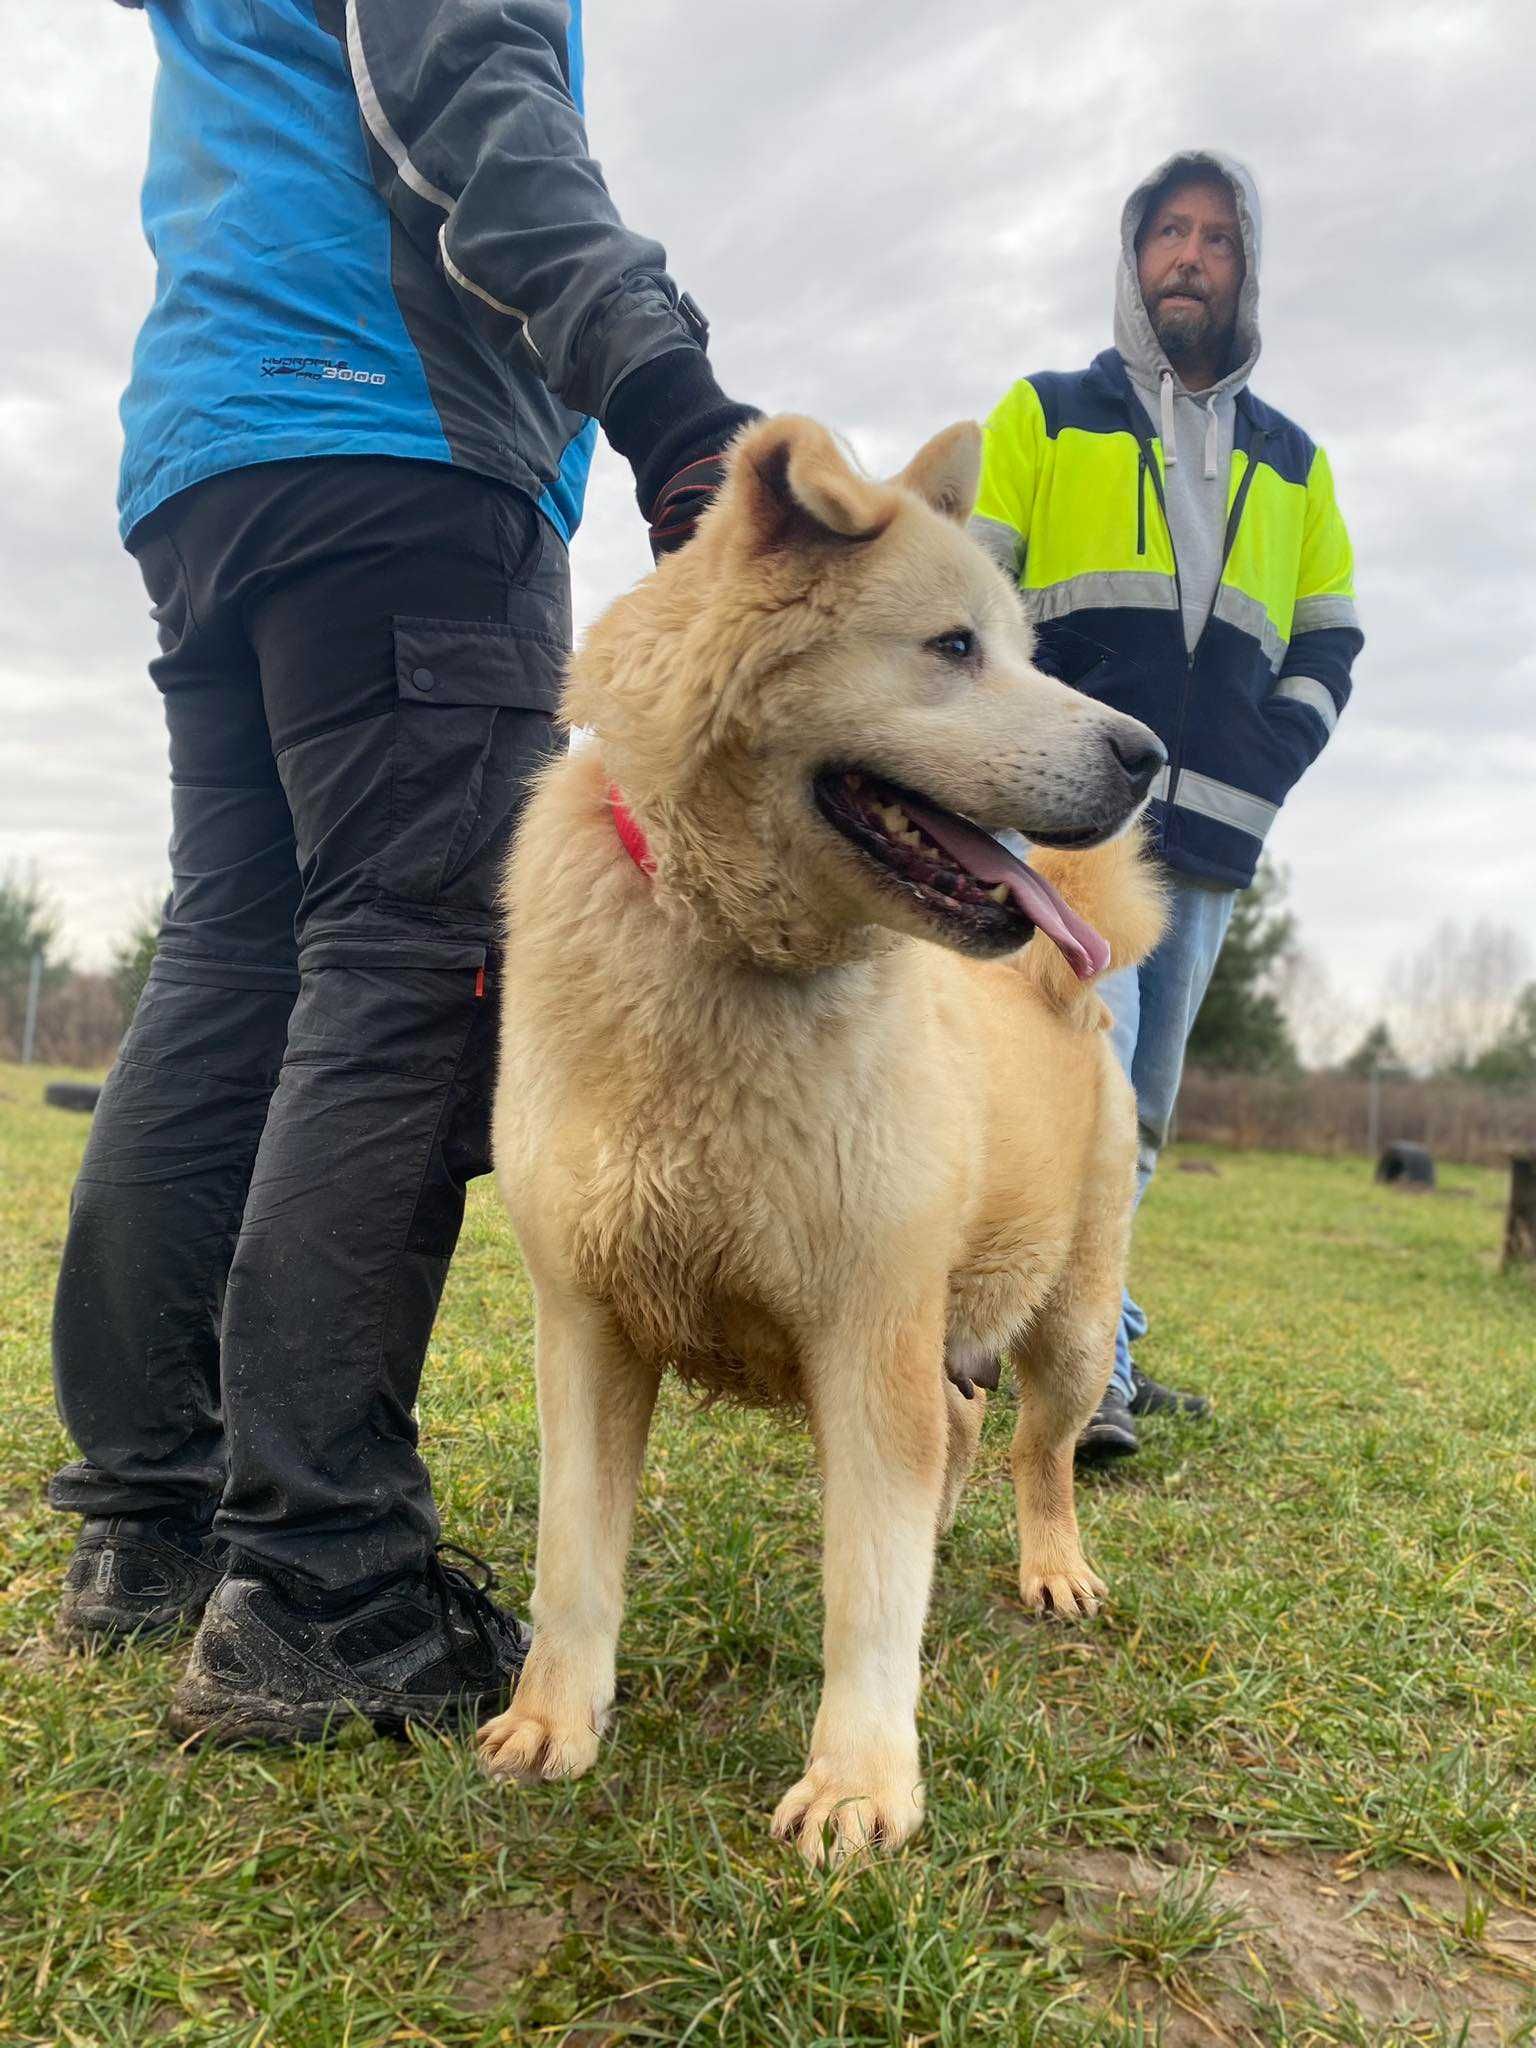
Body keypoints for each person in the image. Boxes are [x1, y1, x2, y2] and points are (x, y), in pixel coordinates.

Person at [51, 0, 757, 1743]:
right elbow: (466, 90)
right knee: (412, 966)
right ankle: (324, 1580)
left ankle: (154, 1521)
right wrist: (665, 388)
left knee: (236, 953)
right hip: (392, 442)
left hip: (213, 452)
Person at [971, 151, 1361, 1462]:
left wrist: (1270, 758)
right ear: (1134, 257)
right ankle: (1064, 1372)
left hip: (1210, 842)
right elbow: (981, 598)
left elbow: (1331, 640)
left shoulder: (1297, 465)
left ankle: (1100, 1337)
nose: (1189, 257)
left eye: (1215, 238)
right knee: (1072, 1084)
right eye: (1167, 235)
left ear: (1246, 265)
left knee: (1144, 1106)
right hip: (1069, 825)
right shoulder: (1045, 413)